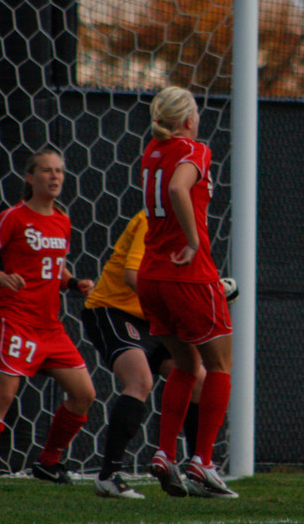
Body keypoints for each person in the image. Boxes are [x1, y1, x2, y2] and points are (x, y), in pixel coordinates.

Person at [0, 148, 96, 485]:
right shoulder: (13, 217)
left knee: (84, 394)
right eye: (46, 171)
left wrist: (73, 282)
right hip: (16, 320)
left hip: (49, 326)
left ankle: (48, 462)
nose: (54, 177)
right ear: (29, 177)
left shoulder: (62, 220)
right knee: (4, 396)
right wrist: (1, 277)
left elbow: (56, 266)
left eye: (59, 171)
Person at [137, 85, 237, 498]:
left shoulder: (151, 151)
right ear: (189, 120)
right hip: (188, 273)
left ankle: (163, 453)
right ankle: (203, 461)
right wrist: (194, 242)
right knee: (220, 365)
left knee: (183, 365)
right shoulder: (195, 149)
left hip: (151, 276)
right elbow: (179, 188)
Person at [81, 209, 210, 499]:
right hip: (113, 309)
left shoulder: (192, 228)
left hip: (152, 314)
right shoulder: (152, 220)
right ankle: (109, 476)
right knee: (140, 380)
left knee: (198, 378)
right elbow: (132, 276)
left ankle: (196, 471)